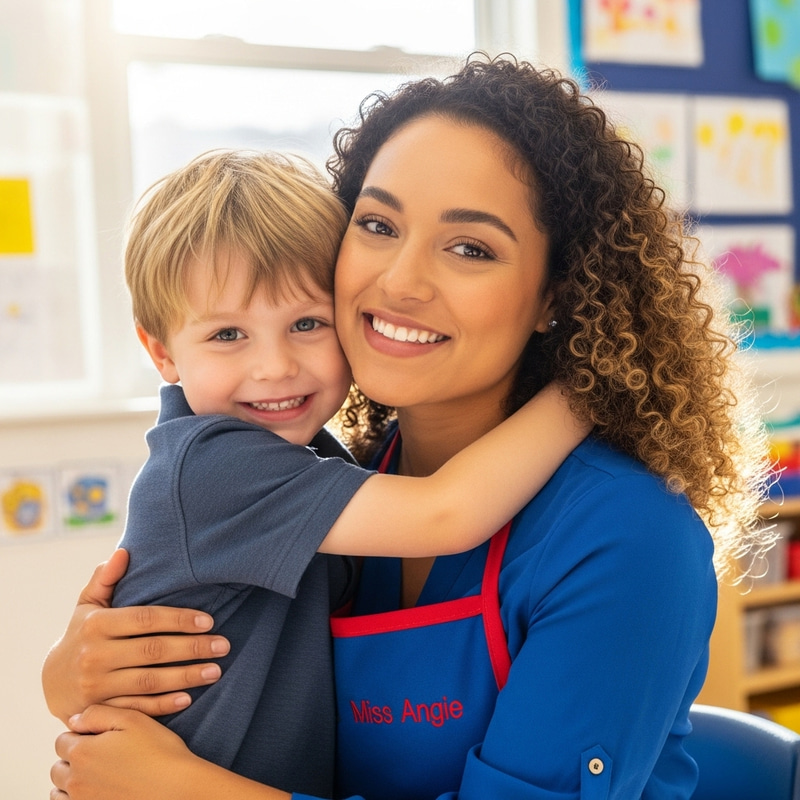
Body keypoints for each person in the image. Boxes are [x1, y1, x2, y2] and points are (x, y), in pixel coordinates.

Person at [45, 54, 773, 800]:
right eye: (378, 224)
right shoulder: (354, 474)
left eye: (470, 248)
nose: (399, 281)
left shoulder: (625, 533)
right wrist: (74, 672)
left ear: (559, 294)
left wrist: (182, 789)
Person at [83, 147, 588, 797]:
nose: (275, 366)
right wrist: (587, 390)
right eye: (228, 335)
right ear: (161, 352)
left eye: (306, 323)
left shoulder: (312, 455)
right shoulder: (212, 465)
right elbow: (447, 512)